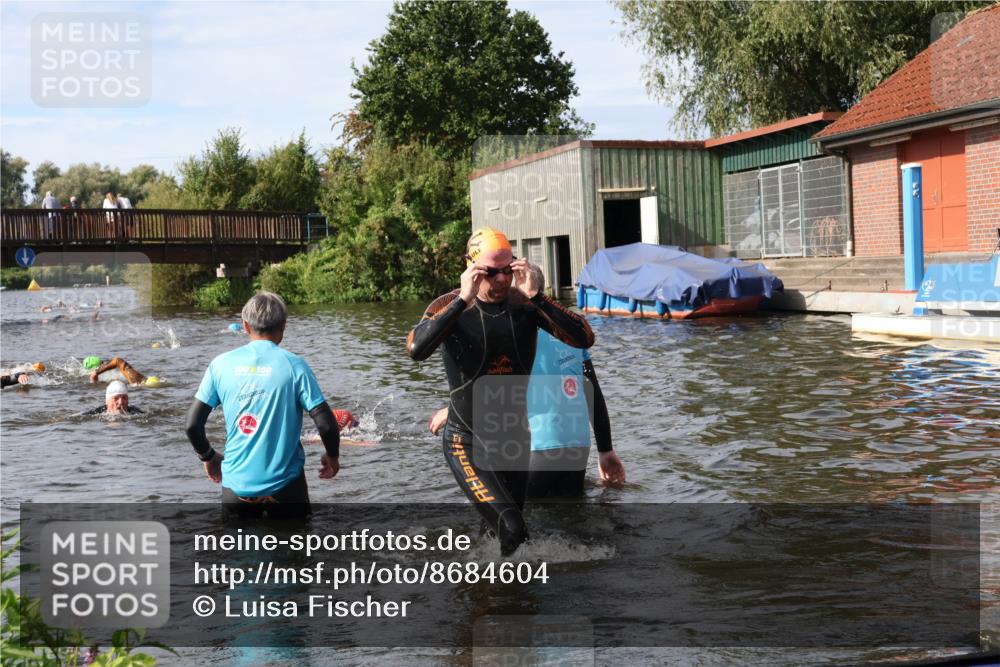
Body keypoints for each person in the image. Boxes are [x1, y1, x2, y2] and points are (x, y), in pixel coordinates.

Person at [407, 227, 594, 555]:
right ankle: (502, 597)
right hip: (466, 441)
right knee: (513, 528)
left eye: (507, 270)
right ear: (471, 268)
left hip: (514, 441)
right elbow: (417, 350)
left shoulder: (525, 305)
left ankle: (490, 596)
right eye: (490, 272)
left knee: (496, 535)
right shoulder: (449, 305)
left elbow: (583, 338)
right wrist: (463, 299)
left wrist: (538, 298)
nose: (501, 280)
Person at [185, 292, 341, 520]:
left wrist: (208, 457)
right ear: (284, 326)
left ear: (245, 326)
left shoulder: (219, 365)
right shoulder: (295, 366)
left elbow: (192, 425)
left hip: (236, 490)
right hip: (286, 489)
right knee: (298, 552)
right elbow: (326, 424)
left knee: (237, 553)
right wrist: (332, 457)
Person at [87, 357, 160, 387]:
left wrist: (96, 373)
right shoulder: (136, 379)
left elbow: (117, 361)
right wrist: (96, 373)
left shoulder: (134, 379)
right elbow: (117, 360)